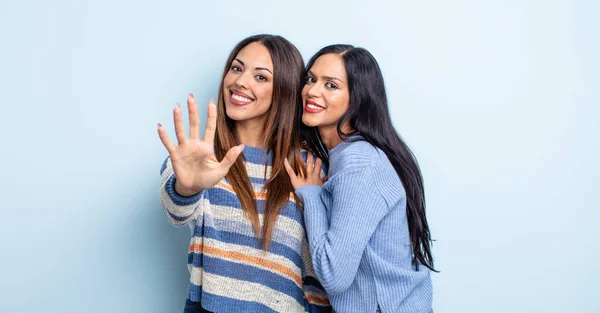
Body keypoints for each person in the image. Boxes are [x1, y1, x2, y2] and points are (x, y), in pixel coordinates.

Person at [157, 34, 331, 313]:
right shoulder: (201, 156)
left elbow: (323, 265)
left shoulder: (309, 167)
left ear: (284, 90)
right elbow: (176, 209)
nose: (240, 81)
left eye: (260, 77)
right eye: (236, 68)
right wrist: (186, 188)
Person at [284, 44, 436, 313]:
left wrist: (311, 196)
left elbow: (334, 275)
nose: (313, 91)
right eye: (311, 79)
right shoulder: (347, 156)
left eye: (331, 85)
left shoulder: (359, 162)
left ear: (357, 98)